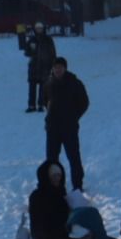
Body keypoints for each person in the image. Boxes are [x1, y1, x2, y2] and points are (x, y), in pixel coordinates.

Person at [42, 56, 88, 192]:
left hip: (69, 127)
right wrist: (50, 115)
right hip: (52, 127)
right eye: (55, 67)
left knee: (73, 157)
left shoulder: (74, 83)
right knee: (51, 159)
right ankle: (53, 185)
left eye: (60, 67)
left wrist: (74, 116)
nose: (58, 70)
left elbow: (84, 102)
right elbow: (45, 101)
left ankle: (78, 185)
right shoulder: (48, 83)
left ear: (65, 68)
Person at [29, 160, 71, 239]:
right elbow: (39, 225)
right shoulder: (38, 196)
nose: (57, 179)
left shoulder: (61, 195)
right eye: (54, 176)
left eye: (59, 175)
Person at [20, 20, 54, 112]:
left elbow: (53, 53)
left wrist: (53, 65)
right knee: (32, 87)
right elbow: (26, 53)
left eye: (40, 28)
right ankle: (31, 106)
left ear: (43, 29)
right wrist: (31, 50)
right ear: (35, 29)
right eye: (37, 28)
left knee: (43, 87)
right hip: (33, 67)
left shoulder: (48, 40)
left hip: (45, 67)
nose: (39, 30)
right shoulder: (31, 39)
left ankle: (41, 105)